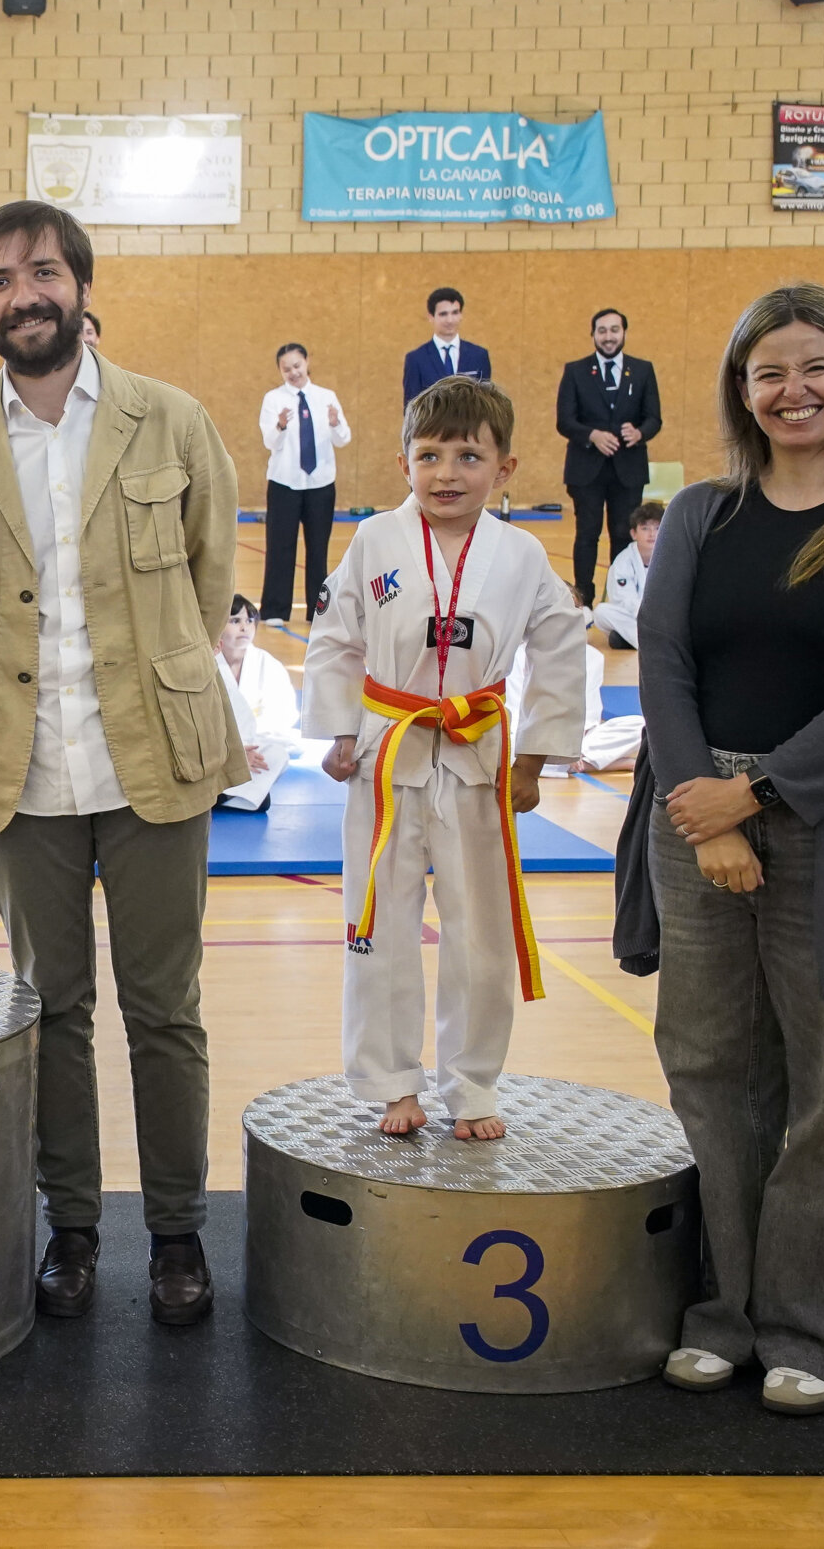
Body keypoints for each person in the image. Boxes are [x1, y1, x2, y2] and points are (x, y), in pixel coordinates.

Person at [614, 282, 824, 1418]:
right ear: (741, 391)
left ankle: (811, 1327)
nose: (792, 390)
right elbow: (660, 661)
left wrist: (749, 798)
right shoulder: (705, 512)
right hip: (695, 816)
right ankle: (721, 1314)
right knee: (712, 1081)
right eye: (768, 373)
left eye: (813, 367)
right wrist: (704, 806)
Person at [0, 199, 241, 1330]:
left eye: (41, 272)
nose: (23, 295)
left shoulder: (173, 420)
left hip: (154, 760)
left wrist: (162, 686)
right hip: (21, 768)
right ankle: (73, 1229)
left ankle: (180, 1232)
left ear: (81, 286)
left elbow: (206, 589)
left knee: (165, 1010)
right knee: (50, 1008)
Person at [304, 376, 586, 1141]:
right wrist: (336, 729)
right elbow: (336, 635)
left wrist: (534, 756)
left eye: (469, 455)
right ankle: (393, 1080)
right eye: (429, 455)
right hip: (386, 755)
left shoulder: (523, 554)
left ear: (506, 469)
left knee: (481, 932)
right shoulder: (374, 541)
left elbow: (560, 646)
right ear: (402, 464)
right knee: (379, 924)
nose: (448, 473)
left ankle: (473, 1082)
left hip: (477, 758)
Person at [556, 308, 664, 606]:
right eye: (602, 330)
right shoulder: (576, 371)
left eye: (614, 330)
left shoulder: (642, 370)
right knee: (587, 534)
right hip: (586, 469)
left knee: (622, 535)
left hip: (627, 469)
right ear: (593, 335)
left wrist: (640, 433)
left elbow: (654, 418)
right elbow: (564, 420)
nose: (608, 336)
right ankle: (583, 600)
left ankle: (622, 599)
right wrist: (592, 435)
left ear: (624, 333)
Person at [256, 343, 350, 625]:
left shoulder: (326, 397)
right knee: (279, 546)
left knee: (318, 549)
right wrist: (281, 426)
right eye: (286, 369)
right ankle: (274, 610)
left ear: (307, 362)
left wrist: (334, 423)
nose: (293, 372)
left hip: (320, 484)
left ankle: (317, 611)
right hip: (284, 483)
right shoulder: (273, 399)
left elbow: (343, 438)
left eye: (297, 366)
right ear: (280, 371)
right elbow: (269, 442)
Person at [215, 596, 299, 811]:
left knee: (277, 754)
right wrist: (233, 751)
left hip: (254, 747)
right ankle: (245, 797)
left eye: (250, 620)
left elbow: (283, 717)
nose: (245, 627)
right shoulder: (207, 663)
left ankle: (223, 797)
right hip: (217, 750)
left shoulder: (268, 665)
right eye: (235, 621)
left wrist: (248, 750)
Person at [592, 500, 666, 648]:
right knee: (601, 612)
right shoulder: (623, 562)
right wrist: (650, 617)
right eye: (645, 528)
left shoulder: (674, 558)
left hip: (665, 618)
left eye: (657, 528)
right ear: (633, 533)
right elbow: (625, 602)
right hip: (637, 617)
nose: (652, 534)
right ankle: (652, 645)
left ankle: (630, 640)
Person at [401, 286, 490, 406]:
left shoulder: (479, 355)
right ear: (431, 317)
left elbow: (486, 403)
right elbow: (410, 408)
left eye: (455, 312)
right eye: (443, 314)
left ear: (461, 315)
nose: (450, 320)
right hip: (432, 424)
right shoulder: (416, 359)